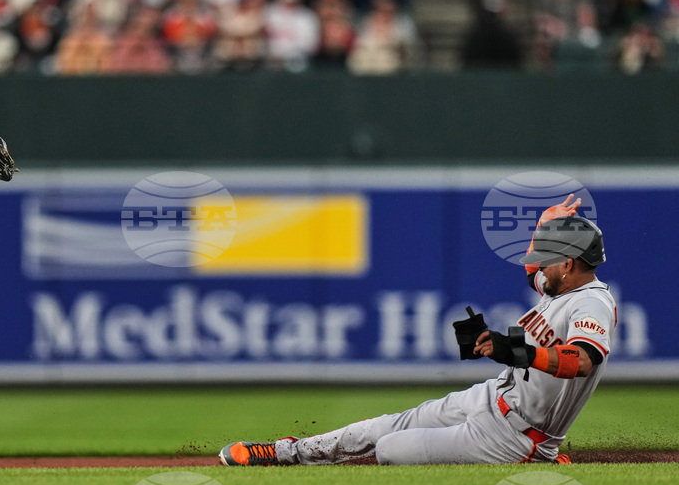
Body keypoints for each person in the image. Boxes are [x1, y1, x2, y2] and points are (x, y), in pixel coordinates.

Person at [220, 195, 615, 466]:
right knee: (381, 427)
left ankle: (541, 464)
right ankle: (284, 452)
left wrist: (511, 350)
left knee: (391, 449)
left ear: (567, 264)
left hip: (518, 436)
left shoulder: (591, 302)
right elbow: (534, 274)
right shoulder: (559, 284)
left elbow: (581, 361)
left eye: (547, 258)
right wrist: (543, 227)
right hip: (491, 398)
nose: (537, 266)